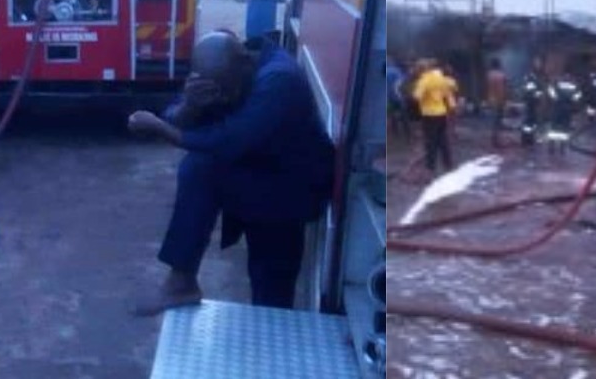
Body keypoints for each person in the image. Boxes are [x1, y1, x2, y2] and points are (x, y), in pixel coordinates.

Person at [127, 32, 335, 315]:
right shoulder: (228, 71)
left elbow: (228, 140)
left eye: (227, 93)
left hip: (292, 191)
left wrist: (161, 129)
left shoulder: (279, 80)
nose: (223, 100)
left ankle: (183, 284)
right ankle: (182, 282)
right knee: (199, 168)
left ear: (244, 65)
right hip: (259, 172)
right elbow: (177, 114)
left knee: (271, 293)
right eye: (215, 93)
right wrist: (191, 104)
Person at [412, 59, 457, 173]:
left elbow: (417, 96)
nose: (416, 72)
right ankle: (448, 163)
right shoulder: (441, 78)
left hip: (429, 114)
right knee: (443, 140)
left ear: (421, 69)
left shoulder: (424, 80)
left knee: (430, 141)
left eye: (417, 69)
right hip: (441, 112)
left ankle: (430, 167)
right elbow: (448, 93)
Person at [546, 71, 582, 154]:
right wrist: (573, 103)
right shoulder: (574, 85)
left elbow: (550, 90)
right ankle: (562, 148)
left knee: (554, 128)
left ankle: (552, 147)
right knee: (564, 128)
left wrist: (555, 98)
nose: (567, 76)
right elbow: (578, 96)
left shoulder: (557, 83)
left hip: (557, 108)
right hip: (567, 109)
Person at [520, 58, 546, 146]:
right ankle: (525, 139)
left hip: (534, 102)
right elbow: (530, 89)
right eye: (537, 63)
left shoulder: (537, 76)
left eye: (540, 63)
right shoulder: (530, 76)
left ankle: (530, 138)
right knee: (528, 122)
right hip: (529, 102)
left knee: (532, 122)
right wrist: (538, 93)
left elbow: (538, 89)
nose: (539, 65)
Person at [386, 57, 412, 141]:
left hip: (389, 98)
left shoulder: (386, 71)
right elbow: (402, 82)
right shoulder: (396, 71)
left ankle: (395, 133)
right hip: (398, 97)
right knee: (404, 116)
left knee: (392, 115)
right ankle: (408, 135)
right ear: (392, 62)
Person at [486, 58, 508, 148]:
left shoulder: (489, 74)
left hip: (492, 99)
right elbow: (502, 89)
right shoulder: (501, 75)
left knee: (494, 121)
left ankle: (494, 139)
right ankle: (497, 140)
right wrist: (504, 99)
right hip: (499, 99)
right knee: (498, 121)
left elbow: (489, 87)